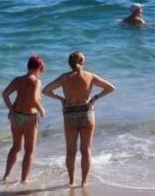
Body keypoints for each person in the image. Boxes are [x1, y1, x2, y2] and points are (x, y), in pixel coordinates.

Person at [42, 51, 116, 187]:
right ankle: (84, 182)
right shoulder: (90, 76)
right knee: (86, 150)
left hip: (70, 114)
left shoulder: (64, 78)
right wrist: (95, 98)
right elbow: (111, 88)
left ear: (69, 64)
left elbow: (45, 90)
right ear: (83, 62)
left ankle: (71, 181)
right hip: (87, 113)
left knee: (71, 151)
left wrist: (61, 99)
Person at [2, 54, 46, 183]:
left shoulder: (17, 80)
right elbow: (33, 99)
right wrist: (41, 109)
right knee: (29, 151)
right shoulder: (36, 81)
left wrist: (11, 109)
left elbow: (5, 94)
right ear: (39, 68)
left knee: (15, 147)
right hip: (29, 118)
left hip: (17, 116)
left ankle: (6, 175)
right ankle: (24, 180)